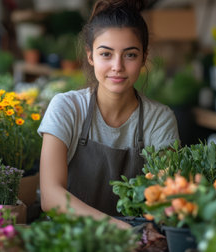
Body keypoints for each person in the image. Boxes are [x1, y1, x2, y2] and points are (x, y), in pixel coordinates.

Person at [37, 0, 180, 229]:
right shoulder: (67, 108)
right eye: (106, 54)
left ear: (144, 57)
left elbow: (167, 196)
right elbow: (51, 197)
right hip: (69, 237)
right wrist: (119, 228)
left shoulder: (159, 120)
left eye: (130, 55)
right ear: (90, 56)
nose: (117, 66)